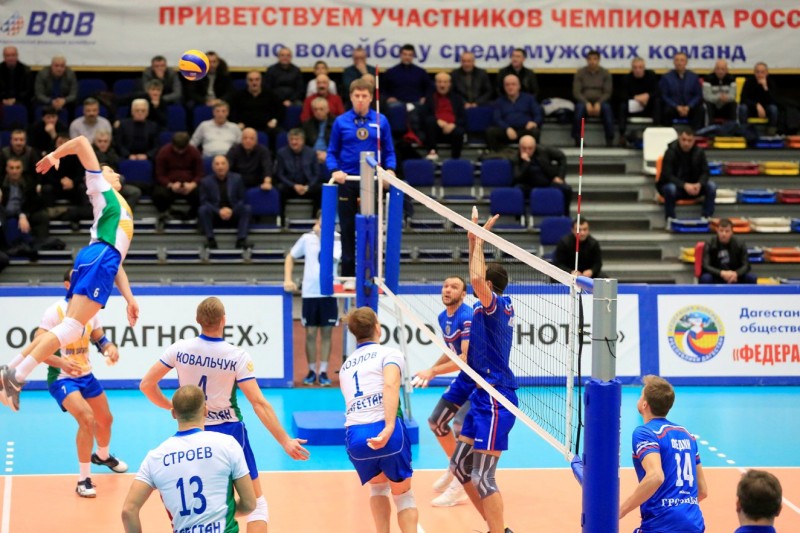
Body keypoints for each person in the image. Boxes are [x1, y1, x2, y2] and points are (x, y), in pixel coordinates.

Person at [139, 298, 309, 533]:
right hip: (230, 432)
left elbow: (146, 385)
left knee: (205, 503)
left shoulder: (179, 349)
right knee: (257, 505)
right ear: (223, 321)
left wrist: (173, 407)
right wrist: (285, 440)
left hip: (192, 430)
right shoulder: (236, 356)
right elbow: (258, 403)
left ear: (197, 321)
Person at [0, 135, 138, 412]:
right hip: (100, 256)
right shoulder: (101, 187)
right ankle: (17, 377)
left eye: (112, 171)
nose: (110, 172)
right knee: (72, 327)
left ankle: (11, 370)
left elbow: (117, 263)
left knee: (68, 327)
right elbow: (82, 142)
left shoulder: (118, 205)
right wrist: (55, 156)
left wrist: (129, 298)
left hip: (100, 258)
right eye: (107, 170)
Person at [31, 268, 129, 497]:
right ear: (68, 285)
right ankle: (83, 480)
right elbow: (36, 348)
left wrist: (109, 348)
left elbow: (100, 338)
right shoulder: (55, 311)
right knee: (87, 419)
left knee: (106, 419)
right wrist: (60, 362)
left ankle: (102, 456)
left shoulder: (91, 310)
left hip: (86, 375)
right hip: (62, 378)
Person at [450, 208, 517, 533]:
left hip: (496, 398)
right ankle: (494, 526)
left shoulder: (496, 306)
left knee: (483, 476)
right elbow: (477, 277)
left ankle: (499, 531)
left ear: (489, 286)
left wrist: (478, 241)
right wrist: (473, 240)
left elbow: (476, 279)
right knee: (460, 465)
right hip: (481, 395)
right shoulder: (483, 307)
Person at [121, 385, 257, 533]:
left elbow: (128, 511)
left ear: (173, 413)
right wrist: (220, 514)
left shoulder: (155, 457)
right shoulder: (227, 444)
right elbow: (249, 504)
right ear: (205, 410)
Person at [339, 306, 419, 533]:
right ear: (377, 327)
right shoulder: (390, 354)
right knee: (404, 495)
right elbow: (391, 385)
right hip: (387, 432)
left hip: (356, 438)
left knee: (378, 489)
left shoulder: (345, 367)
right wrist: (389, 426)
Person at [327, 78, 396, 286]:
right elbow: (331, 152)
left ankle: (370, 274)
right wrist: (335, 170)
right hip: (347, 180)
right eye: (356, 96)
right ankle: (349, 275)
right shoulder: (341, 122)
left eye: (364, 96)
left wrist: (390, 170)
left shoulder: (381, 120)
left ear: (371, 98)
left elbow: (389, 151)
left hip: (371, 180)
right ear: (350, 97)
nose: (360, 100)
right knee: (347, 229)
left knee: (371, 227)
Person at [412, 276, 472, 507]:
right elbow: (451, 352)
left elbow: (464, 359)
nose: (448, 289)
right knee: (436, 422)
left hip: (481, 381)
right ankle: (454, 466)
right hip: (465, 379)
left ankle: (460, 484)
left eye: (454, 287)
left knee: (460, 425)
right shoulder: (442, 317)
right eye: (445, 286)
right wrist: (431, 369)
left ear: (463, 294)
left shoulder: (467, 317)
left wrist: (434, 372)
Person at [619, 375, 707, 532]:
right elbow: (702, 491)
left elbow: (656, 476)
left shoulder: (645, 433)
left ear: (644, 404)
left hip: (661, 525)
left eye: (641, 395)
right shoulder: (687, 435)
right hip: (694, 524)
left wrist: (618, 512)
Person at [284, 216, 341, 386]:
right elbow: (290, 257)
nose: (322, 226)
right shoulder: (306, 238)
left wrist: (323, 237)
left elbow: (331, 258)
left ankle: (323, 371)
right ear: (317, 222)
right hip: (309, 293)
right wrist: (288, 279)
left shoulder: (337, 239)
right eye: (320, 223)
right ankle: (311, 371)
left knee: (327, 333)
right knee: (310, 333)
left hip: (329, 293)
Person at [658, 127, 716, 221]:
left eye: (689, 141)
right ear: (679, 138)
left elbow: (705, 172)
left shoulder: (699, 152)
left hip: (694, 187)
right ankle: (670, 219)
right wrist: (684, 185)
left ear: (694, 141)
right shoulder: (670, 152)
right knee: (670, 189)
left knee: (711, 186)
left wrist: (699, 184)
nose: (686, 143)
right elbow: (667, 175)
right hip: (677, 187)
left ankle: (706, 218)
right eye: (684, 140)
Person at [198, 154, 251, 249]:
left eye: (223, 163)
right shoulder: (205, 181)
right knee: (203, 209)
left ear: (228, 166)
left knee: (247, 208)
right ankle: (211, 240)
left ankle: (241, 240)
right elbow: (204, 201)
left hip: (233, 213)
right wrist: (218, 211)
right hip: (215, 215)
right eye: (217, 164)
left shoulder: (237, 178)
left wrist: (231, 210)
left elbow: (242, 199)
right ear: (213, 167)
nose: (220, 167)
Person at [512, 135, 571, 215]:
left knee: (567, 189)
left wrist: (560, 177)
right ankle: (521, 217)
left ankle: (566, 215)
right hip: (528, 185)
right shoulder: (516, 157)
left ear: (535, 147)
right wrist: (526, 163)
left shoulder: (543, 150)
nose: (527, 151)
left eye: (530, 148)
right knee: (516, 190)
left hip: (547, 181)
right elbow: (517, 177)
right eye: (524, 148)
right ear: (520, 147)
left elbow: (562, 157)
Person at [0, 156, 50, 248]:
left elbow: (34, 203)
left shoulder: (29, 182)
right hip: (5, 214)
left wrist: (23, 214)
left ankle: (41, 244)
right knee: (11, 222)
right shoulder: (1, 183)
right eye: (11, 168)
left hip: (24, 213)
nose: (14, 171)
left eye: (17, 168)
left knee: (42, 216)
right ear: (6, 169)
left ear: (22, 169)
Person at [486, 74, 543, 152]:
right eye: (507, 85)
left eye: (513, 84)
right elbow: (497, 119)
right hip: (506, 131)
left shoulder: (529, 99)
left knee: (535, 131)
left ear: (519, 86)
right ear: (504, 87)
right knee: (491, 132)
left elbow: (538, 114)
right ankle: (498, 154)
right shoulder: (499, 102)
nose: (510, 87)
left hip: (524, 130)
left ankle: (532, 155)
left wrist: (534, 123)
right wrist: (507, 128)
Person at [153, 131, 203, 220]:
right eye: (178, 149)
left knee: (202, 193)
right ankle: (169, 212)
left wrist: (192, 184)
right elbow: (160, 175)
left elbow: (199, 174)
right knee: (158, 194)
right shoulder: (163, 152)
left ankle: (192, 215)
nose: (180, 152)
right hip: (170, 186)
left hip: (190, 185)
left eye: (183, 149)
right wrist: (170, 185)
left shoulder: (194, 152)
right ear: (173, 145)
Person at [228, 70, 284, 147]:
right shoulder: (239, 96)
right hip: (245, 127)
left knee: (279, 134)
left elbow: (281, 109)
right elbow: (232, 111)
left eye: (257, 79)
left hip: (266, 127)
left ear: (261, 81)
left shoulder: (270, 94)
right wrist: (237, 123)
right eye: (251, 80)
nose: (254, 83)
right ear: (247, 82)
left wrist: (274, 120)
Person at [275, 128, 321, 221]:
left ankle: (315, 218)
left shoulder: (311, 153)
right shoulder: (281, 153)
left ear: (303, 141)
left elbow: (317, 174)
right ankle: (282, 219)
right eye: (291, 139)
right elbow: (280, 174)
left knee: (319, 189)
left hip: (307, 187)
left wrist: (307, 187)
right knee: (280, 188)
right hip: (290, 187)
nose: (294, 142)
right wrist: (293, 186)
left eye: (297, 139)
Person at [572, 50, 614, 147]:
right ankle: (578, 138)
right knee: (579, 109)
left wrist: (599, 103)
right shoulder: (580, 73)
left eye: (595, 59)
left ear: (599, 60)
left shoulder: (605, 73)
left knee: (607, 109)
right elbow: (576, 92)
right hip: (584, 101)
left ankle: (609, 139)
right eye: (590, 59)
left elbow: (608, 92)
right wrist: (586, 103)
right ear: (587, 60)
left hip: (601, 102)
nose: (592, 61)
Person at [421, 72, 466, 161]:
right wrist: (437, 121)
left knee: (459, 131)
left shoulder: (457, 98)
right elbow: (424, 116)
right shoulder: (429, 98)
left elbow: (462, 118)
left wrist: (453, 124)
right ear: (435, 84)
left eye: (445, 82)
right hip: (436, 130)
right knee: (430, 121)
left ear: (449, 84)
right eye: (439, 82)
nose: (442, 85)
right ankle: (432, 151)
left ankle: (455, 159)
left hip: (452, 129)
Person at [701, 218, 756, 284]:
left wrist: (736, 273)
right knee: (706, 278)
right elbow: (705, 266)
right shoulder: (709, 243)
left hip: (735, 277)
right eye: (721, 231)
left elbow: (747, 266)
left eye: (727, 231)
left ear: (732, 232)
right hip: (717, 276)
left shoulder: (740, 244)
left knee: (751, 277)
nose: (724, 234)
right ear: (717, 231)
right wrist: (721, 273)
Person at [619, 57, 660, 143]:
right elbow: (622, 95)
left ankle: (656, 131)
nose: (638, 70)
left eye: (640, 67)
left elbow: (657, 91)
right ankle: (622, 135)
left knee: (658, 103)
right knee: (622, 106)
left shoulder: (651, 76)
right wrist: (635, 98)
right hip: (634, 105)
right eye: (635, 67)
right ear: (632, 68)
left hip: (648, 105)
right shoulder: (627, 78)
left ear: (644, 67)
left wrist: (647, 96)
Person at [659, 52, 704, 130]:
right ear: (674, 62)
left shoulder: (693, 77)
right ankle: (668, 133)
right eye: (677, 60)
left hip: (689, 107)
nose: (679, 63)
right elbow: (664, 95)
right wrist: (676, 107)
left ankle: (696, 134)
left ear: (686, 62)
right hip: (673, 107)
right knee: (666, 110)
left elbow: (698, 95)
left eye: (682, 60)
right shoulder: (666, 77)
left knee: (700, 110)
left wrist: (689, 106)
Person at [740, 63, 779, 134]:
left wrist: (765, 87)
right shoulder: (749, 82)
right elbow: (743, 99)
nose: (760, 75)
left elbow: (773, 101)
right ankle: (744, 131)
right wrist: (756, 105)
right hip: (751, 108)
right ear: (754, 73)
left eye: (762, 72)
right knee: (742, 108)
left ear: (767, 73)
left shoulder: (771, 82)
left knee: (773, 109)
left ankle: (771, 133)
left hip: (766, 109)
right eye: (757, 72)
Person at [301, 97, 333, 169]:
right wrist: (313, 153)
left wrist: (328, 154)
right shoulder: (307, 124)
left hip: (330, 155)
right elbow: (304, 144)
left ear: (327, 109)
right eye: (315, 109)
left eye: (321, 109)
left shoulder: (336, 123)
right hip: (311, 155)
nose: (318, 112)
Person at [703, 59, 737, 123]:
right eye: (718, 69)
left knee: (733, 104)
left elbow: (733, 95)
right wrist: (719, 97)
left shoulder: (731, 78)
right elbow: (706, 96)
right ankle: (710, 127)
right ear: (714, 69)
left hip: (726, 105)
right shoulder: (708, 78)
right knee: (707, 105)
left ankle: (733, 126)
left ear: (726, 70)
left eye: (723, 69)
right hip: (713, 106)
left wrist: (726, 98)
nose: (720, 71)